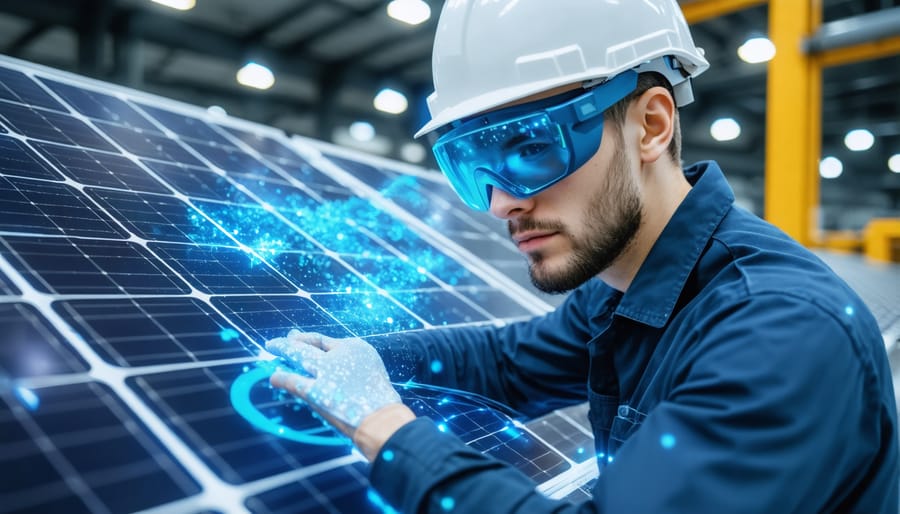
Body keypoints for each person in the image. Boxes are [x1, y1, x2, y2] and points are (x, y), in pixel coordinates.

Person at [265, 1, 899, 512]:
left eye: (532, 146)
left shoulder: (782, 333)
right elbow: (508, 364)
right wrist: (371, 359)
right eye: (473, 165)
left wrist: (389, 432)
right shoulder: (628, 285)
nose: (500, 203)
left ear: (651, 126)